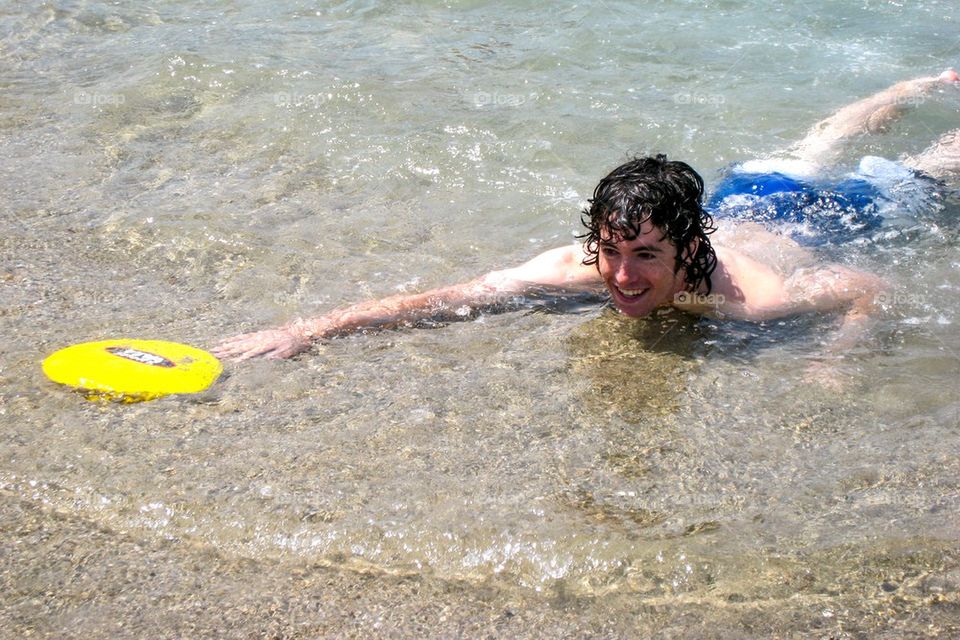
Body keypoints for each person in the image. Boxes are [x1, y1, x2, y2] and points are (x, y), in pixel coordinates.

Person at [213, 69, 959, 378]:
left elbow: (869, 285)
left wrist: (840, 356)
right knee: (815, 145)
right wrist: (309, 328)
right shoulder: (583, 265)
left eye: (643, 257)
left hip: (817, 216)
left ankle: (926, 107)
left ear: (689, 248)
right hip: (745, 191)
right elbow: (448, 298)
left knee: (926, 172)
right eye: (609, 252)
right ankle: (901, 91)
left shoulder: (754, 296)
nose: (621, 277)